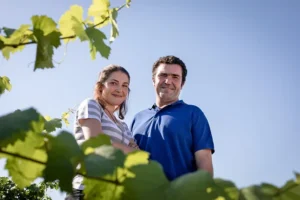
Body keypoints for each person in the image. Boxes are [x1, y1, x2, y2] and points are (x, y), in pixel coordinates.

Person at [130, 55, 215, 181]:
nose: (168, 81)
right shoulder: (137, 119)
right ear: (153, 80)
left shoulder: (193, 114)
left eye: (175, 77)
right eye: (163, 75)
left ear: (182, 84)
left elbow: (204, 161)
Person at [67, 64, 138, 200]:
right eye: (113, 83)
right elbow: (96, 143)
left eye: (125, 85)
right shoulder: (91, 105)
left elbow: (136, 160)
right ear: (100, 87)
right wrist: (129, 151)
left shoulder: (123, 126)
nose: (119, 89)